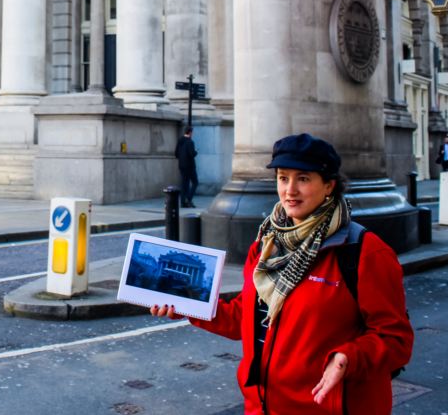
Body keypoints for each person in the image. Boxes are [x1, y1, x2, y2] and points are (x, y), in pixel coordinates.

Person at [152, 133, 413, 415]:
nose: (290, 190)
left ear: (329, 185)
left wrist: (349, 357)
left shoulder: (364, 252)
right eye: (283, 177)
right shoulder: (265, 245)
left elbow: (396, 339)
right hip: (263, 407)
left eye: (303, 178)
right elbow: (245, 319)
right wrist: (189, 305)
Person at [174, 126, 198, 208]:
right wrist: (196, 152)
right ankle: (189, 199)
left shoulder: (180, 140)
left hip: (181, 165)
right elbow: (192, 154)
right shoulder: (190, 142)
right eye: (192, 132)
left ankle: (183, 202)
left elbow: (176, 154)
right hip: (190, 166)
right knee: (195, 182)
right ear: (190, 132)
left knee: (184, 184)